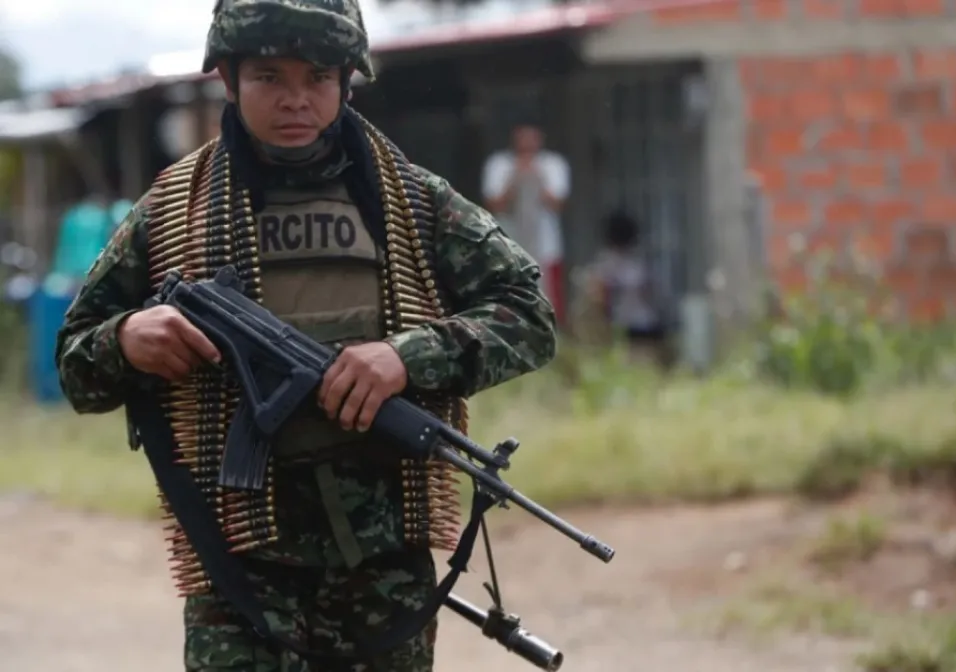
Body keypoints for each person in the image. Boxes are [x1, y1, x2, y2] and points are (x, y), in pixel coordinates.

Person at [53, 1, 558, 670]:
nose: (297, 101)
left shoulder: (410, 199)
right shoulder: (175, 207)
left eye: (318, 77)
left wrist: (407, 358)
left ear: (349, 79)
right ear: (228, 80)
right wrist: (126, 340)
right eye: (269, 77)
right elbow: (74, 361)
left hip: (383, 558)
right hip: (237, 564)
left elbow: (529, 314)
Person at [481, 118, 570, 326]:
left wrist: (536, 178)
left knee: (548, 297)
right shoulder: (499, 164)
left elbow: (557, 203)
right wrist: (516, 177)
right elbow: (494, 203)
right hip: (509, 244)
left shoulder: (552, 164)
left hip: (545, 246)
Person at [589, 210, 664, 357]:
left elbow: (599, 298)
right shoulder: (639, 264)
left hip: (622, 326)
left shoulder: (605, 265)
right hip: (645, 324)